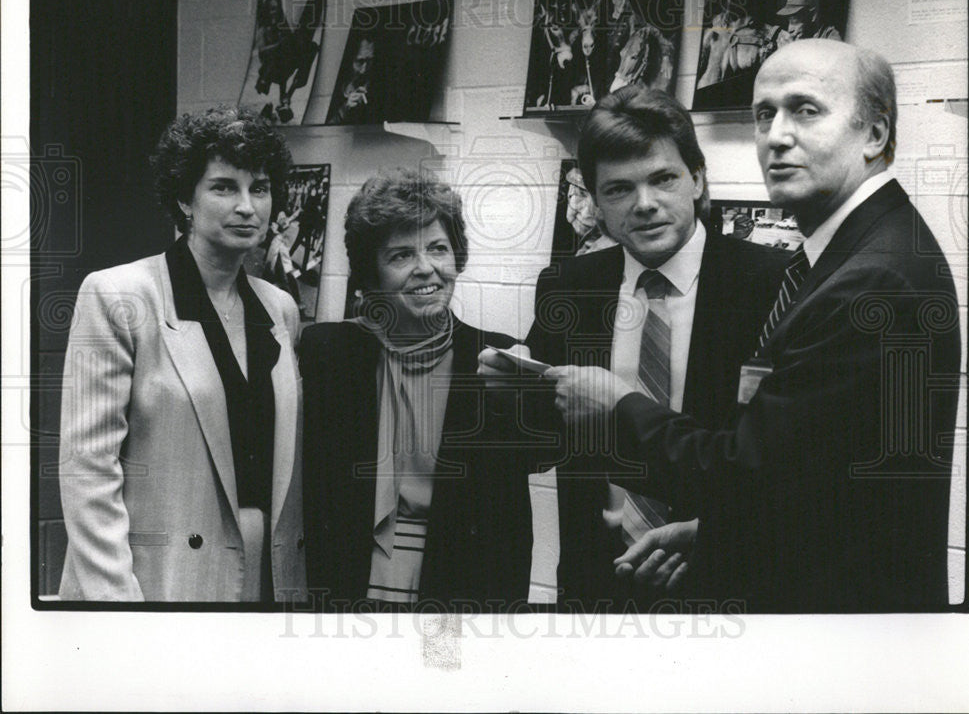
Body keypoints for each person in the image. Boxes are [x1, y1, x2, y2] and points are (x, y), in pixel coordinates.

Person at [546, 40, 961, 612]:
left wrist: (618, 404)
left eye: (806, 110)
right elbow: (808, 480)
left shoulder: (869, 279)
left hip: (835, 621)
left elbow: (748, 472)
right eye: (764, 114)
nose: (777, 135)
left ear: (875, 135)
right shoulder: (849, 256)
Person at [480, 85, 788, 612]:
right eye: (619, 189)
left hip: (726, 575)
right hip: (597, 582)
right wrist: (511, 397)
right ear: (596, 204)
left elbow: (785, 461)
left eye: (663, 179)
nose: (645, 205)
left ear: (697, 178)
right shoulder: (569, 287)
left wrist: (710, 532)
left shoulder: (772, 283)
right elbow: (542, 444)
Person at [59, 106, 307, 602]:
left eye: (259, 188)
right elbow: (88, 466)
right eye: (223, 187)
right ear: (183, 199)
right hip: (157, 582)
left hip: (268, 580)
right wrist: (117, 605)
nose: (247, 206)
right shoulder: (118, 295)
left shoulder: (280, 307)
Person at [299, 170, 534, 611]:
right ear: (373, 274)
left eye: (438, 248)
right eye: (401, 255)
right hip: (347, 582)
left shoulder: (499, 360)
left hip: (456, 589)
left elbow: (510, 525)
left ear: (457, 257)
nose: (426, 268)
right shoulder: (327, 353)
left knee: (436, 674)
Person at [326, 35, 377, 124]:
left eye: (370, 61)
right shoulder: (332, 85)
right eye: (359, 62)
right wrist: (345, 108)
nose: (364, 70)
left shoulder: (378, 86)